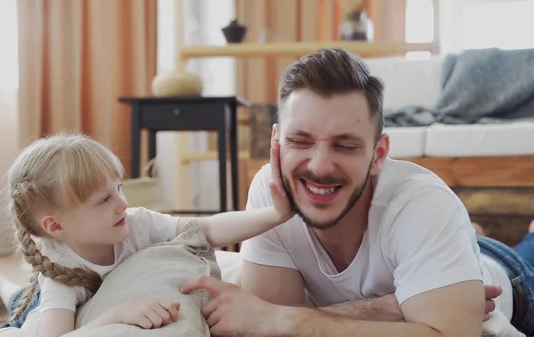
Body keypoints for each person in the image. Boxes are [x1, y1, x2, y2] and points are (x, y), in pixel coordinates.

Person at [179, 48, 534, 337]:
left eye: (344, 146)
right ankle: (467, 237)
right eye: (299, 141)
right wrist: (395, 307)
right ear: (276, 142)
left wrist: (291, 321)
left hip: (513, 281)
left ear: (378, 154)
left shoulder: (423, 202)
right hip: (435, 245)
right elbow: (265, 323)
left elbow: (276, 320)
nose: (319, 166)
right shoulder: (271, 193)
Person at [0, 133, 293, 337]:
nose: (123, 204)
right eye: (104, 200)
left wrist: (274, 214)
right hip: (52, 312)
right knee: (20, 310)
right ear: (55, 227)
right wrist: (119, 314)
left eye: (118, 188)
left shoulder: (134, 223)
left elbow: (206, 229)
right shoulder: (59, 277)